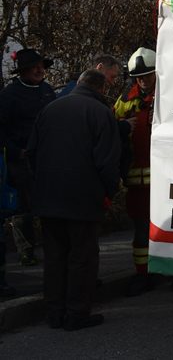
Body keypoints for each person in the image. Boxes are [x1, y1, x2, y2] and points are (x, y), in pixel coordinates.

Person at [27, 69, 120, 330]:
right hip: (83, 198)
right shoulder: (100, 113)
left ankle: (55, 312)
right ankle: (77, 313)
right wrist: (108, 192)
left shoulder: (50, 109)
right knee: (82, 257)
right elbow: (107, 161)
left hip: (48, 196)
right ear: (101, 88)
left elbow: (31, 152)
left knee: (55, 258)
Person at [0, 48, 57, 272]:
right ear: (23, 70)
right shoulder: (9, 95)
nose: (39, 70)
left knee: (48, 203)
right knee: (24, 206)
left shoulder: (47, 91)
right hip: (21, 158)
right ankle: (26, 252)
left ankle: (52, 248)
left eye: (41, 66)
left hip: (46, 157)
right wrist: (15, 151)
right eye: (35, 66)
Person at [113, 48, 158, 296]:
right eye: (139, 77)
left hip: (166, 179)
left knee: (170, 229)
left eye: (148, 76)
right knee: (141, 232)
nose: (143, 81)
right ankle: (143, 274)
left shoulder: (170, 94)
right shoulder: (125, 100)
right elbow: (110, 128)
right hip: (136, 182)